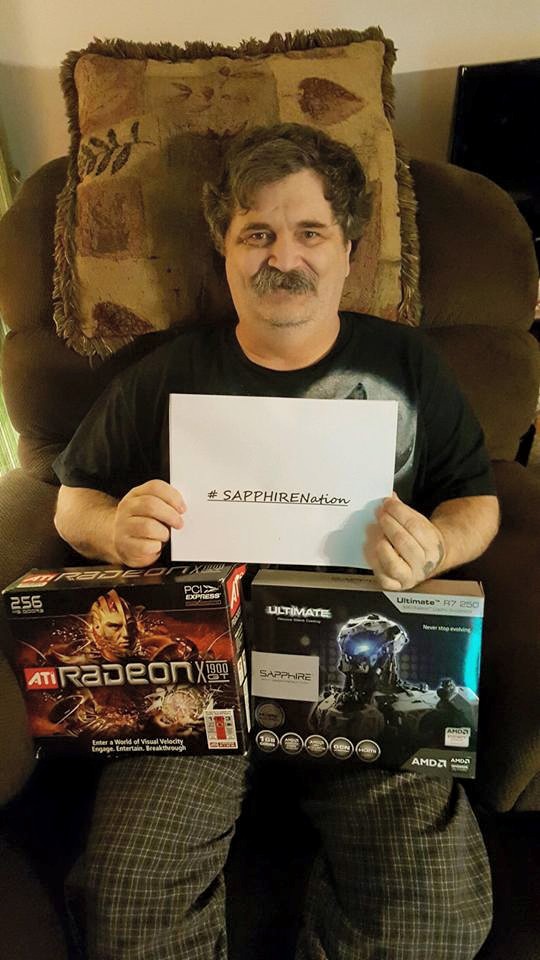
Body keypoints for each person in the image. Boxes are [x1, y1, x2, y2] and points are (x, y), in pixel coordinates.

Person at [53, 123, 499, 960]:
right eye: (256, 233)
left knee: (434, 914)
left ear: (349, 252)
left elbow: (477, 499)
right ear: (224, 252)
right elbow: (73, 497)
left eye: (309, 233)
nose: (281, 257)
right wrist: (111, 527)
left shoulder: (406, 366)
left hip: (361, 672)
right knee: (128, 898)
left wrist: (436, 545)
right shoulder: (165, 370)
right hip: (198, 677)